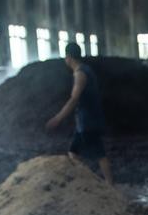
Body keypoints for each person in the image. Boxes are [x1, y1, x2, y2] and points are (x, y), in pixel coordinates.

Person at [46, 41, 112, 185]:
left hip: (88, 121)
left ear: (69, 57)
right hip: (86, 120)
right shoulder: (86, 70)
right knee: (73, 153)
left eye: (65, 57)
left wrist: (58, 118)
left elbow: (74, 99)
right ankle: (85, 182)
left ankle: (106, 183)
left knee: (98, 154)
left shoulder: (80, 73)